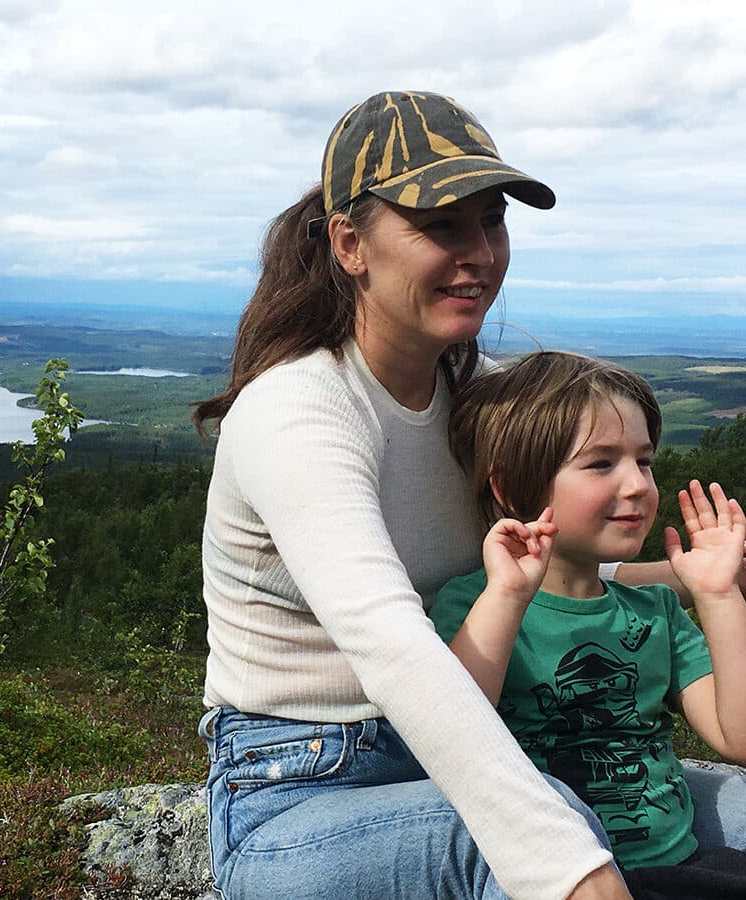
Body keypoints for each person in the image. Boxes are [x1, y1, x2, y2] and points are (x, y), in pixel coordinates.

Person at [193, 91, 633, 899]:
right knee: (540, 840)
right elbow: (390, 643)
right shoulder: (299, 410)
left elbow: (564, 562)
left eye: (492, 222)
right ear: (350, 244)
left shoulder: (476, 396)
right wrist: (569, 866)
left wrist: (703, 579)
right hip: (294, 798)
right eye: (443, 227)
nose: (481, 254)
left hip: (460, 745)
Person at [430, 352, 746, 882]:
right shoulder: (475, 604)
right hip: (553, 878)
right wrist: (507, 594)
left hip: (678, 867)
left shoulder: (656, 613)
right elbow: (454, 734)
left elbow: (736, 737)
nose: (638, 484)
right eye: (601, 463)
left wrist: (719, 595)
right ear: (512, 488)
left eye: (643, 461)